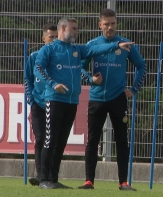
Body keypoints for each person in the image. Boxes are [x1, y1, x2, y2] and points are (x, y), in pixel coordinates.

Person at [34, 17, 134, 189]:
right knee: (50, 140)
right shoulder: (49, 49)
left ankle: (53, 178)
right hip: (55, 99)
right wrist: (53, 84)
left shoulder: (76, 50)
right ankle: (44, 179)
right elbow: (39, 68)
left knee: (61, 141)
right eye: (74, 28)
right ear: (63, 28)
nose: (76, 32)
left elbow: (94, 49)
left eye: (77, 29)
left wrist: (116, 45)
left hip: (72, 101)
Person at [78, 9, 147, 191]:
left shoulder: (126, 45)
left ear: (117, 24)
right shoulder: (92, 45)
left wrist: (133, 89)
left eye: (113, 23)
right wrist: (90, 79)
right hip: (97, 98)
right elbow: (80, 67)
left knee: (122, 140)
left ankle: (123, 182)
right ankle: (89, 181)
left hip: (118, 98)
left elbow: (141, 65)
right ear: (99, 25)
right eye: (106, 24)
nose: (110, 27)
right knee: (93, 140)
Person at [24, 23, 57, 186]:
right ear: (43, 38)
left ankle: (51, 174)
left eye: (56, 37)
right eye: (51, 37)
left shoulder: (60, 58)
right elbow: (28, 79)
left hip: (56, 104)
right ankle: (39, 174)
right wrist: (31, 98)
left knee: (52, 140)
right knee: (40, 138)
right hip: (38, 104)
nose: (53, 40)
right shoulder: (34, 56)